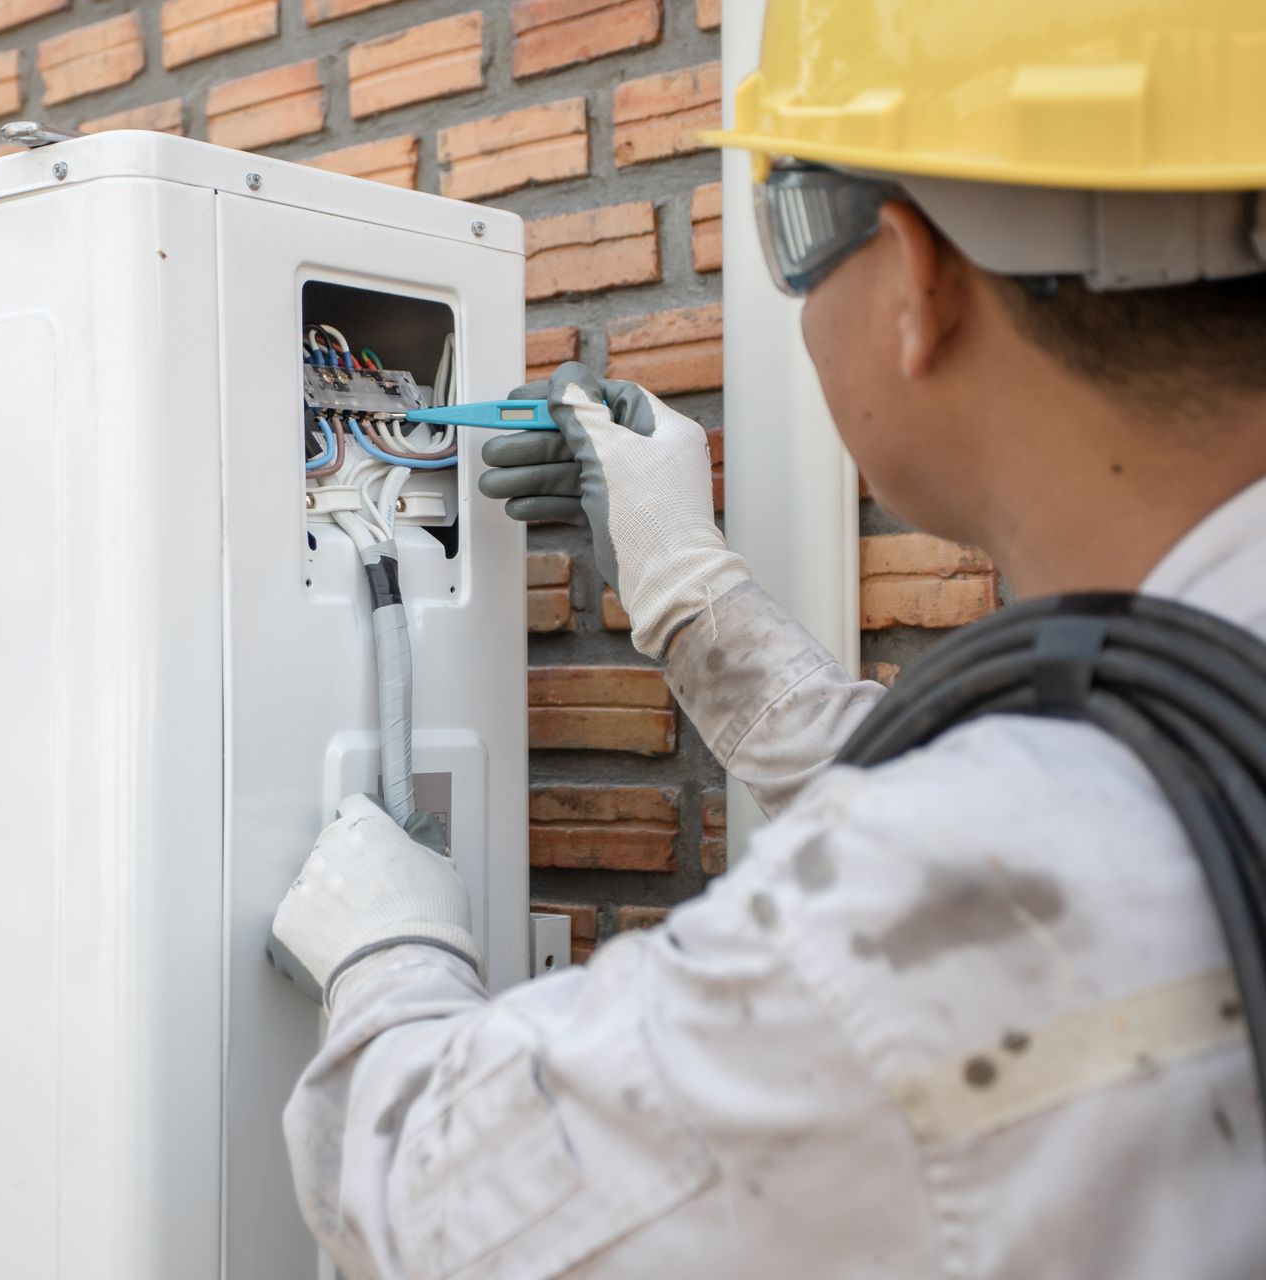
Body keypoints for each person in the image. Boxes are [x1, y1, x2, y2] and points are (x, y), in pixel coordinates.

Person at [270, 1, 1266, 1274]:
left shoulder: (949, 906)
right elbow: (1008, 787)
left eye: (792, 234)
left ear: (915, 277)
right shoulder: (1164, 738)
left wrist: (389, 949)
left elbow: (441, 1204)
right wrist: (690, 588)